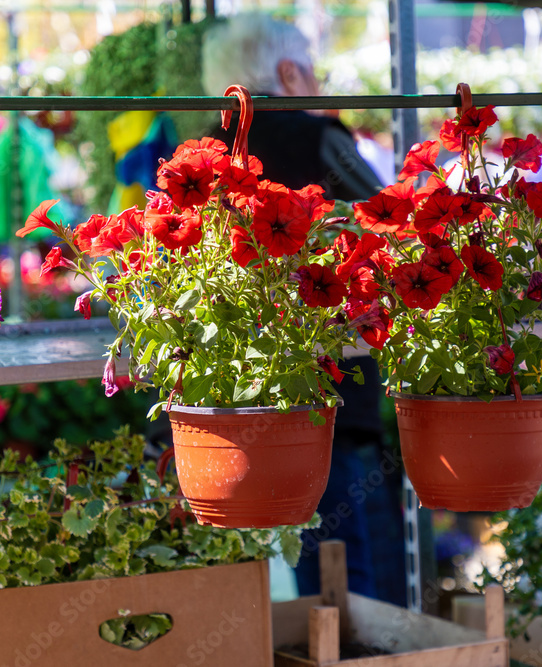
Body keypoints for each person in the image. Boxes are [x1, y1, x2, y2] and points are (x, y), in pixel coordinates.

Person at [201, 14, 407, 606]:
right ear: (289, 73)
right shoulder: (318, 138)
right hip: (336, 380)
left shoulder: (201, 152)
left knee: (310, 547)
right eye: (312, 71)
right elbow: (387, 222)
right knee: (359, 563)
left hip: (243, 392)